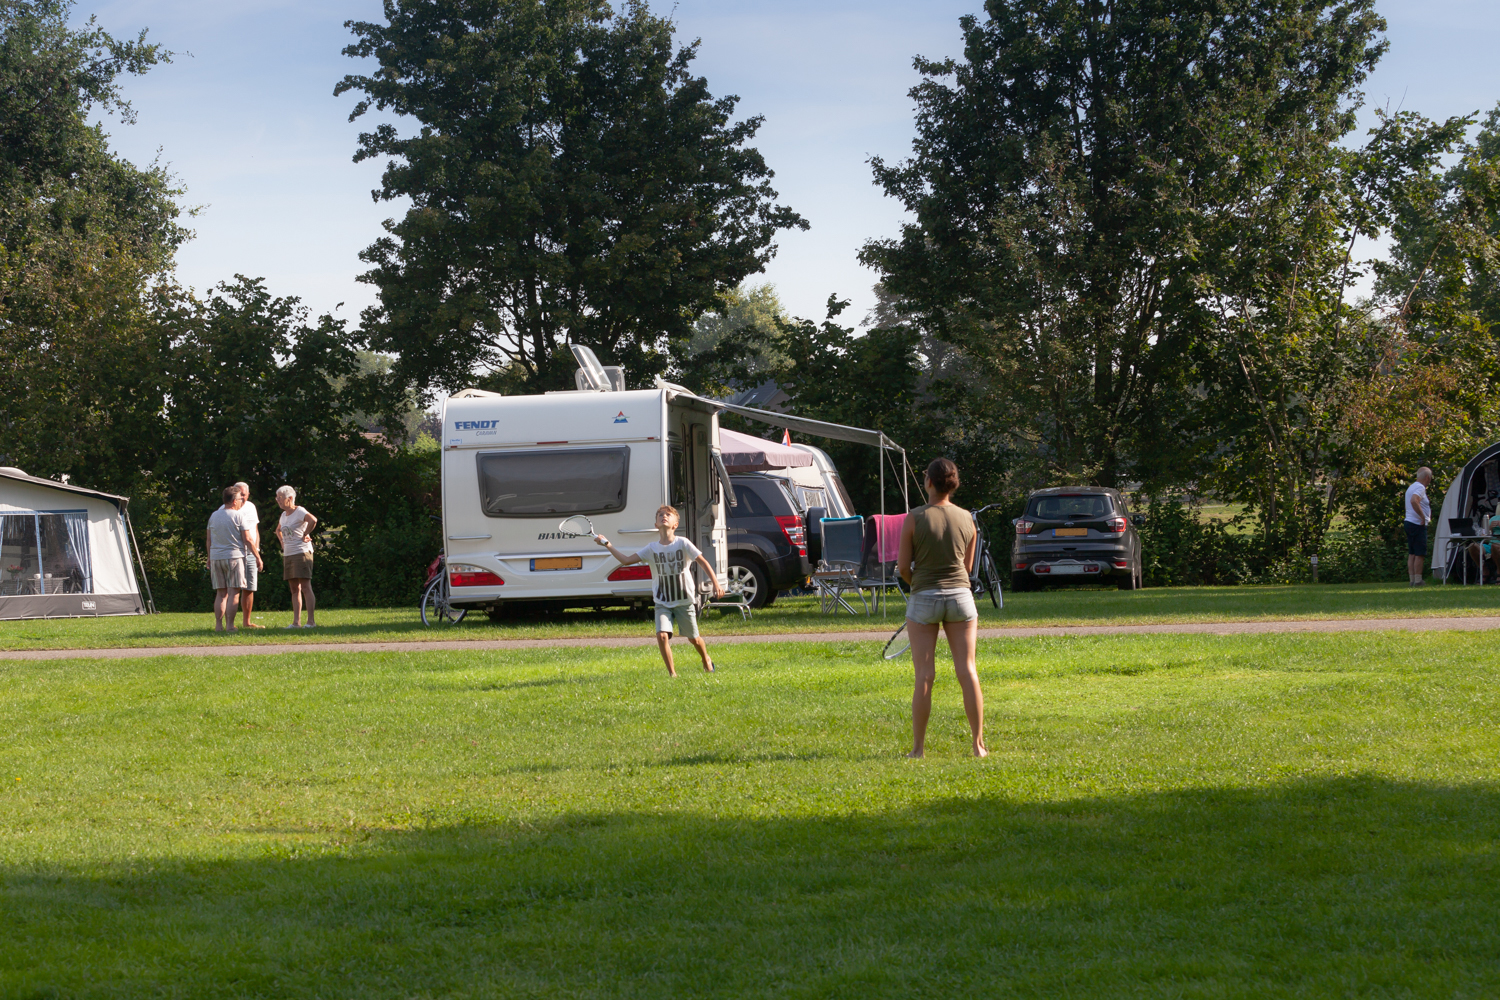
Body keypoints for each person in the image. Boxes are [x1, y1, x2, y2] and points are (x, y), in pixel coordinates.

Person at [897, 458, 986, 758]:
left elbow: (902, 568)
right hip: (961, 598)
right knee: (968, 671)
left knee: (924, 675)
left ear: (929, 482)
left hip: (924, 597)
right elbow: (968, 567)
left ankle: (918, 750)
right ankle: (977, 745)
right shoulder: (967, 519)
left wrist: (917, 584)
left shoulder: (915, 517)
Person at [596, 505, 724, 676]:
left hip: (684, 601)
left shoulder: (683, 543)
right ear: (656, 524)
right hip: (662, 601)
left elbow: (703, 562)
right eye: (660, 515)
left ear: (675, 524)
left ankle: (706, 658)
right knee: (662, 636)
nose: (664, 516)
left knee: (694, 638)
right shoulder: (651, 549)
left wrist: (716, 583)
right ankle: (672, 675)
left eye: (668, 515)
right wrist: (607, 544)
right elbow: (626, 560)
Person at [206, 487, 255, 633]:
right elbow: (248, 539)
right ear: (234, 501)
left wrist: (209, 557)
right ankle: (230, 626)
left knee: (221, 594)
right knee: (234, 592)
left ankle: (218, 626)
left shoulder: (213, 516)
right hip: (234, 558)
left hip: (216, 558)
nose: (242, 501)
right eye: (240, 499)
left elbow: (209, 539)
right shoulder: (238, 516)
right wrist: (258, 557)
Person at [274, 485, 318, 627]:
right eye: (277, 498)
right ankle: (296, 623)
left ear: (290, 498)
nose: (278, 501)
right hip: (289, 554)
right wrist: (282, 542)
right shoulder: (283, 515)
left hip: (302, 552)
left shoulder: (299, 511)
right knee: (294, 589)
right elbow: (278, 530)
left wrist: (305, 534)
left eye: (280, 498)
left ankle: (310, 622)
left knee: (305, 586)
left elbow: (313, 520)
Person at [1405, 467, 1433, 586]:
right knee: (1419, 553)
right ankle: (1418, 580)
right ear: (1427, 477)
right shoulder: (1420, 487)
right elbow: (1413, 501)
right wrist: (1423, 516)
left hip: (1409, 522)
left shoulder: (1411, 487)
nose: (1430, 481)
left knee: (1412, 553)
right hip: (1417, 524)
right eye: (1430, 479)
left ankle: (1412, 580)